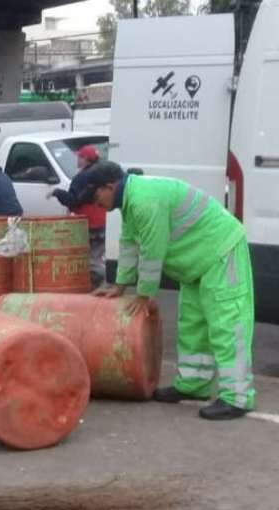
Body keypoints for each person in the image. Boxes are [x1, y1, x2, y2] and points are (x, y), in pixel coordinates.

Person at [86, 161, 256, 421]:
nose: (96, 205)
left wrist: (144, 294)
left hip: (221, 251)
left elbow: (153, 252)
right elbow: (130, 243)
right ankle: (193, 384)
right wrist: (119, 286)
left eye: (96, 197)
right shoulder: (132, 202)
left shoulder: (144, 201)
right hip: (197, 260)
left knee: (227, 324)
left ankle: (237, 397)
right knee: (192, 325)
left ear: (110, 187)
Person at [47, 145, 106, 287]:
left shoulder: (82, 177)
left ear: (85, 158)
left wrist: (57, 192)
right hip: (102, 221)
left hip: (87, 222)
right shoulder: (102, 172)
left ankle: (92, 285)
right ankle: (97, 281)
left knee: (86, 256)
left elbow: (74, 201)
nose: (77, 159)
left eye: (79, 156)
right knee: (97, 255)